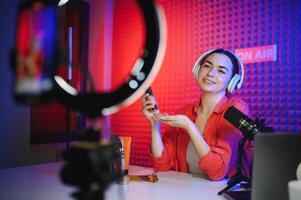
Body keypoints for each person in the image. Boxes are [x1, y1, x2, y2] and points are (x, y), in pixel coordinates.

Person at [141, 48, 253, 181]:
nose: (211, 73)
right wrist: (154, 124)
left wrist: (190, 127)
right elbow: (162, 163)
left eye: (221, 71)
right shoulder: (184, 112)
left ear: (233, 81)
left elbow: (217, 171)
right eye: (207, 66)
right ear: (197, 70)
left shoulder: (236, 109)